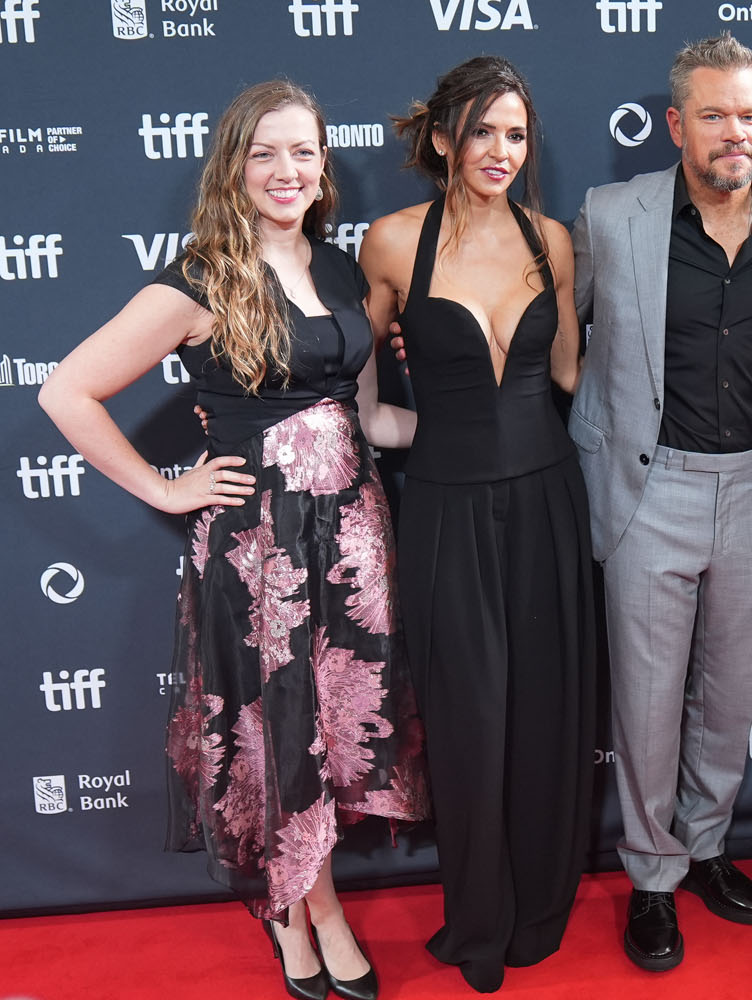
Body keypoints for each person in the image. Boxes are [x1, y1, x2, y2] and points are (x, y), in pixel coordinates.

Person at [38, 80, 428, 1000]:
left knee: (329, 728)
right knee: (280, 728)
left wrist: (491, 427)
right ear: (234, 167)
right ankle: (309, 915)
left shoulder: (342, 272)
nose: (286, 170)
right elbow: (66, 391)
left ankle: (301, 904)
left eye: (303, 151)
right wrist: (163, 487)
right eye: (265, 153)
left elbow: (369, 417)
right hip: (260, 556)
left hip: (353, 544)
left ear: (324, 166)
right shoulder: (201, 280)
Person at [568, 33, 752, 973]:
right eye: (714, 115)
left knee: (728, 690)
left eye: (749, 115)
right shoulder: (610, 215)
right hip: (650, 487)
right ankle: (651, 875)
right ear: (677, 125)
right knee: (646, 700)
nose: (734, 133)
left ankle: (708, 846)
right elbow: (554, 335)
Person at [358, 56, 595, 993]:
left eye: (518, 134)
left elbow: (570, 373)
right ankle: (480, 918)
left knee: (543, 707)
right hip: (447, 506)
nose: (502, 150)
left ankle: (539, 904)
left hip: (548, 498)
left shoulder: (552, 241)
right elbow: (359, 398)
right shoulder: (392, 242)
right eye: (484, 131)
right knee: (469, 717)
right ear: (443, 137)